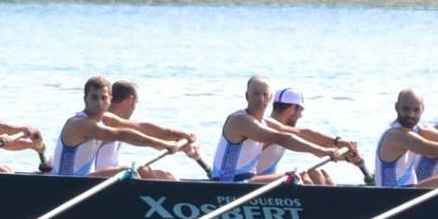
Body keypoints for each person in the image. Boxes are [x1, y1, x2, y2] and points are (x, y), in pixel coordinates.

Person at [211, 77, 353, 185]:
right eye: (256, 94)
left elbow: (301, 133)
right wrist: (319, 151)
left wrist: (337, 142)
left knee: (320, 178)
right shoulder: (239, 120)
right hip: (228, 184)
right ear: (247, 96)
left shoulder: (266, 122)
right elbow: (281, 138)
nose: (260, 99)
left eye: (265, 94)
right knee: (299, 177)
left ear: (270, 98)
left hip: (248, 183)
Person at [52, 76, 199, 177]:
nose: (99, 102)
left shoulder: (106, 118)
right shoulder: (80, 123)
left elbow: (141, 127)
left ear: (110, 99)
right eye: (94, 97)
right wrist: (163, 144)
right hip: (67, 184)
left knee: (156, 174)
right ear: (85, 99)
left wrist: (181, 135)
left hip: (84, 182)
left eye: (103, 98)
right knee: (130, 170)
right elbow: (120, 134)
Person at [103, 79, 202, 180]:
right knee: (142, 168)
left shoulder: (115, 122)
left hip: (109, 176)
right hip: (94, 180)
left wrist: (182, 147)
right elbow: (144, 128)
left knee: (166, 176)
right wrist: (182, 134)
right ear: (131, 101)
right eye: (136, 103)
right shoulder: (105, 120)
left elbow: (151, 137)